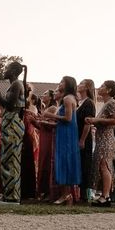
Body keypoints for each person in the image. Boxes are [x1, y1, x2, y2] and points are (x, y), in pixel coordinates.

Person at [43, 77, 81, 205]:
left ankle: (66, 194)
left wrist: (50, 115)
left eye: (62, 82)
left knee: (65, 161)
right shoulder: (70, 98)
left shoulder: (67, 99)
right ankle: (66, 194)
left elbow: (68, 118)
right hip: (65, 131)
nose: (59, 84)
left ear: (68, 85)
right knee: (66, 162)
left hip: (67, 133)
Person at [0, 61, 26, 205]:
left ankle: (13, 197)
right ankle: (8, 195)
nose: (4, 71)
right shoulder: (14, 85)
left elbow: (10, 105)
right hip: (9, 124)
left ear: (13, 71)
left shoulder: (16, 85)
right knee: (7, 160)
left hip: (13, 125)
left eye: (7, 69)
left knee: (11, 160)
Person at [85, 80, 115, 207]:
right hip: (102, 138)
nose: (100, 88)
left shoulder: (112, 102)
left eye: (103, 86)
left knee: (105, 166)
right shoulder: (107, 104)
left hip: (107, 139)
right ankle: (104, 195)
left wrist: (96, 119)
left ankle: (106, 196)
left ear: (109, 90)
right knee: (102, 166)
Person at [76, 79, 97, 202]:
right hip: (78, 135)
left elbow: (87, 123)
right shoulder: (80, 102)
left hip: (84, 137)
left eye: (82, 84)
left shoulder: (89, 103)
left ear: (87, 87)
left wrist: (82, 140)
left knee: (84, 164)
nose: (79, 85)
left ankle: (84, 194)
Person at [36, 90, 57, 200]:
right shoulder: (45, 108)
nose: (42, 95)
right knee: (42, 162)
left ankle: (48, 191)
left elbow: (53, 125)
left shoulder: (53, 108)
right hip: (43, 136)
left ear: (50, 97)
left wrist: (42, 122)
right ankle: (42, 190)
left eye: (45, 94)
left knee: (46, 162)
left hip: (48, 137)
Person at [21, 92, 40, 199]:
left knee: (28, 163)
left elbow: (33, 119)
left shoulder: (31, 108)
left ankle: (29, 191)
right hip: (22, 136)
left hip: (28, 136)